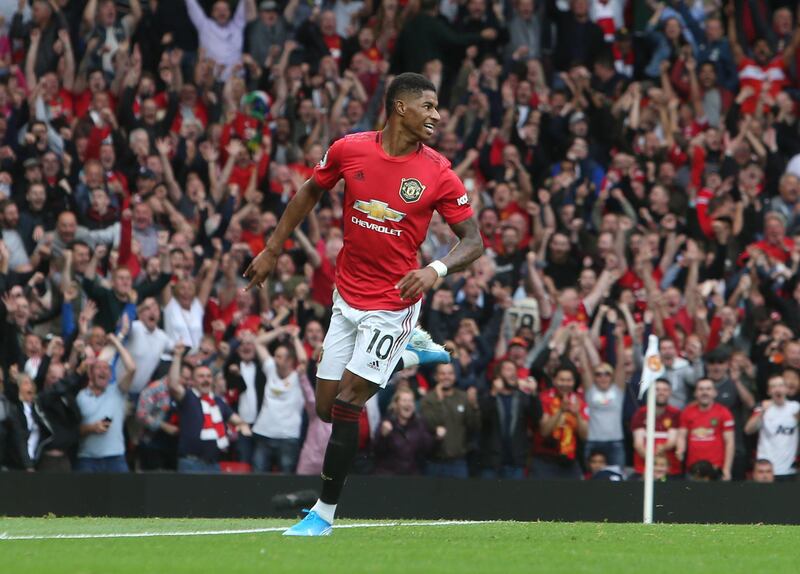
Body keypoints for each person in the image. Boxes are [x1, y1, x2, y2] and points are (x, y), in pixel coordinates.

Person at [243, 73, 483, 535]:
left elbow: (473, 241)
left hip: (394, 302)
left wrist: (434, 271)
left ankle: (324, 514)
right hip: (346, 293)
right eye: (428, 106)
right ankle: (410, 355)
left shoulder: (438, 171)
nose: (436, 115)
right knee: (326, 408)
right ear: (400, 108)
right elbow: (311, 190)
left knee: (351, 404)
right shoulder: (350, 149)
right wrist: (273, 249)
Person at [168, 343, 252, 473]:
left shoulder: (218, 401)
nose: (205, 380)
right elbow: (173, 385)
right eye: (201, 377)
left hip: (212, 464)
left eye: (208, 376)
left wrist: (243, 425)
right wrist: (178, 356)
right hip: (190, 464)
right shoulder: (188, 397)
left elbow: (236, 420)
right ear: (193, 381)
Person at [75, 335, 136, 473]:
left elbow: (131, 368)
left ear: (110, 375)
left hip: (115, 459)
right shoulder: (80, 396)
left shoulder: (117, 391)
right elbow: (73, 430)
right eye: (98, 368)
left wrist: (116, 343)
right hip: (87, 460)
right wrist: (91, 428)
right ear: (90, 374)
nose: (103, 371)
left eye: (106, 369)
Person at [420, 362, 481, 478]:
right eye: (442, 373)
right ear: (436, 377)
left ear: (455, 376)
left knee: (460, 496)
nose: (446, 377)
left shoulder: (463, 397)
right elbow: (432, 424)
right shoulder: (428, 399)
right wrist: (439, 400)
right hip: (434, 462)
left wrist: (474, 407)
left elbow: (474, 426)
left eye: (450, 373)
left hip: (458, 462)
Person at [532, 366, 588, 479]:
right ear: (554, 380)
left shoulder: (579, 401)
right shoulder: (543, 398)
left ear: (574, 382)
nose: (565, 384)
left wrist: (577, 414)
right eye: (561, 380)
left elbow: (585, 435)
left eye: (569, 380)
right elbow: (544, 431)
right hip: (545, 459)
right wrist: (560, 411)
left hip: (569, 460)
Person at [677, 378, 735, 481]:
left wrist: (727, 469)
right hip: (693, 469)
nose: (704, 392)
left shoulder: (724, 413)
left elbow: (729, 442)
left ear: (715, 392)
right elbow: (681, 435)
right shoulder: (687, 412)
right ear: (695, 393)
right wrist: (680, 449)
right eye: (701, 389)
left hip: (715, 468)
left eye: (708, 389)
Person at [744, 375, 799, 481]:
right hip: (765, 469)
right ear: (769, 391)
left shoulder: (795, 407)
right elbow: (748, 430)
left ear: (786, 389)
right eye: (773, 386)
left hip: (788, 469)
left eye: (781, 385)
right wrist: (762, 411)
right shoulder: (762, 407)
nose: (777, 389)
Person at [373, 386, 434, 475]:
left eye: (410, 401)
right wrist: (383, 436)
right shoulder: (386, 422)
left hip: (411, 477)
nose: (408, 404)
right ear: (396, 404)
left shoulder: (420, 424)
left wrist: (433, 437)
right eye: (404, 400)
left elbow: (427, 450)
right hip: (389, 477)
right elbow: (376, 451)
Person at [630, 379, 682, 479]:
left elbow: (672, 440)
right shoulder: (640, 413)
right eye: (657, 389)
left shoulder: (675, 413)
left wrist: (662, 450)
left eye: (665, 390)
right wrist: (653, 462)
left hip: (670, 470)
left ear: (670, 392)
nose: (661, 392)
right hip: (643, 468)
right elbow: (638, 443)